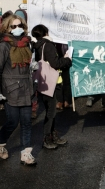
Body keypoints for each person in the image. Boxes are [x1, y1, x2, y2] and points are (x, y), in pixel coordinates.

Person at [0, 14, 36, 165]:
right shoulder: (4, 45)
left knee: (27, 122)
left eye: (20, 25)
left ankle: (26, 153)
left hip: (26, 88)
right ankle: (1, 143)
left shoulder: (27, 43)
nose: (17, 29)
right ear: (7, 28)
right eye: (14, 26)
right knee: (13, 121)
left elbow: (29, 64)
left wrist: (34, 66)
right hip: (10, 89)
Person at [31, 24, 72, 149]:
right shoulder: (47, 45)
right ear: (46, 32)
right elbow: (55, 63)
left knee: (50, 110)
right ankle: (47, 138)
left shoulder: (37, 45)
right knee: (51, 112)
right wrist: (67, 60)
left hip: (43, 82)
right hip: (51, 82)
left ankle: (51, 135)